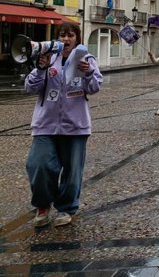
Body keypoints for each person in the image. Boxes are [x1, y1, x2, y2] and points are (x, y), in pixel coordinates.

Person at [24, 23, 103, 227]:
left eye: (70, 35)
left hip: (75, 124)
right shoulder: (48, 58)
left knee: (72, 170)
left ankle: (66, 208)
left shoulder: (86, 59)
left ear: (77, 38)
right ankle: (42, 205)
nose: (65, 39)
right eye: (62, 35)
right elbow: (30, 87)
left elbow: (94, 87)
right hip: (45, 124)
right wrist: (41, 69)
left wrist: (87, 73)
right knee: (38, 164)